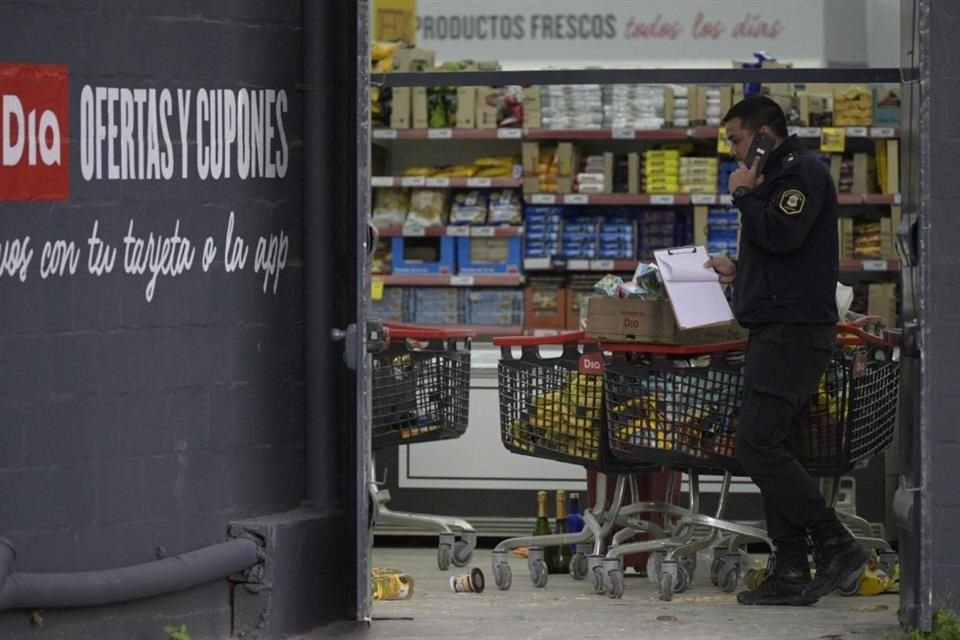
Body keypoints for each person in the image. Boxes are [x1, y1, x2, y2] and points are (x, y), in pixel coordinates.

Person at [705, 96, 869, 606]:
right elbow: (780, 251)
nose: (733, 153)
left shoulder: (799, 173)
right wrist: (740, 270)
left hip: (792, 334)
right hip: (779, 327)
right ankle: (791, 570)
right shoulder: (778, 177)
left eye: (736, 140)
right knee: (777, 447)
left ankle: (838, 545)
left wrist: (742, 197)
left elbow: (782, 231)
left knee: (757, 446)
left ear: (762, 136)